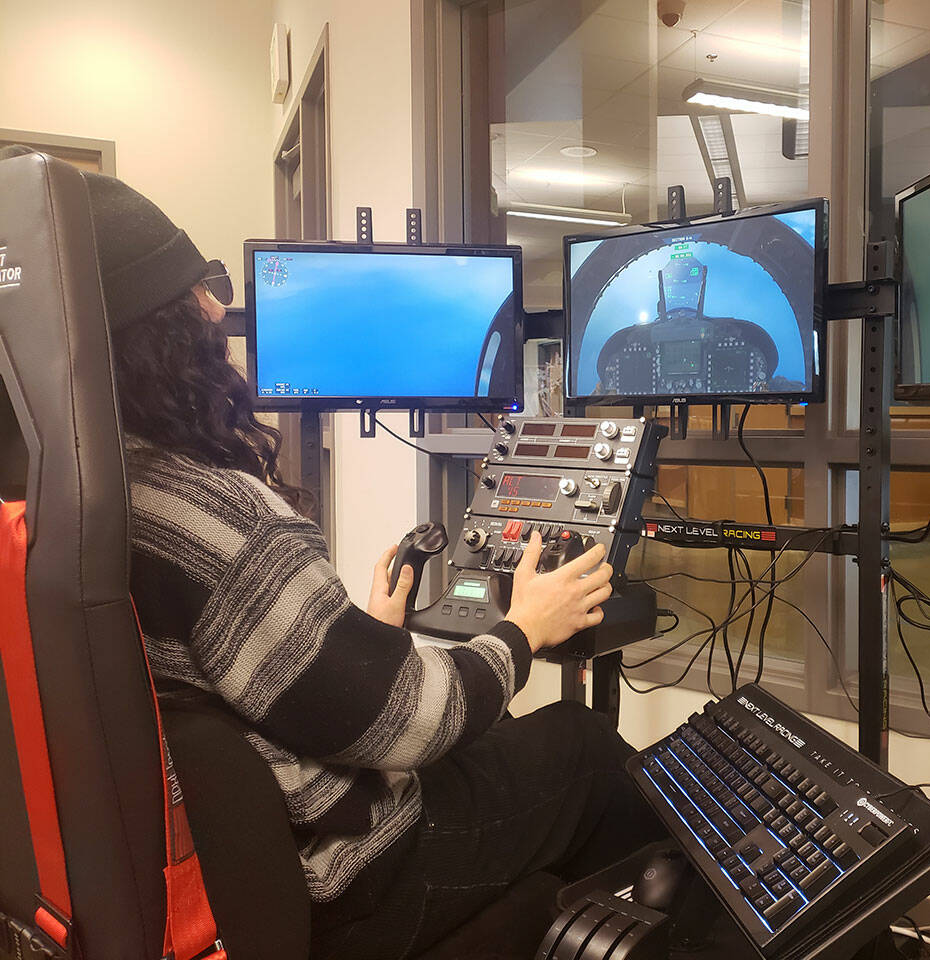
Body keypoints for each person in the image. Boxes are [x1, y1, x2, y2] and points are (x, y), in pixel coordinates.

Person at [2, 146, 664, 958]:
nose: (218, 313)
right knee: (582, 744)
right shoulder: (204, 507)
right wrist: (525, 630)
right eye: (198, 296)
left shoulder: (68, 498)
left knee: (505, 739)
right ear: (160, 333)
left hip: (235, 850)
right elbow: (409, 726)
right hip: (355, 869)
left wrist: (360, 640)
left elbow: (245, 674)